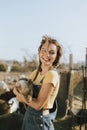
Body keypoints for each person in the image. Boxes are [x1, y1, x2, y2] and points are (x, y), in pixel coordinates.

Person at [13, 35, 62, 130]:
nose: (46, 55)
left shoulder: (51, 75)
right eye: (43, 50)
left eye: (51, 52)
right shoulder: (35, 73)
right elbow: (19, 90)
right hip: (28, 116)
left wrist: (22, 98)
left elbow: (38, 105)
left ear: (56, 57)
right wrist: (18, 91)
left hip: (40, 121)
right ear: (39, 52)